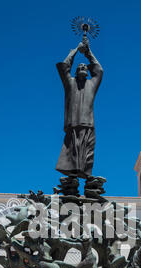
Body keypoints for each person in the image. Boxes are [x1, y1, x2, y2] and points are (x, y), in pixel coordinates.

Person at [56, 39, 103, 179]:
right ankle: (71, 177)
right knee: (70, 155)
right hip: (73, 124)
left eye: (85, 66)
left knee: (86, 156)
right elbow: (64, 67)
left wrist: (88, 53)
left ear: (88, 72)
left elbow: (99, 70)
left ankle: (81, 173)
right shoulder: (70, 83)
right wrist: (75, 51)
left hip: (88, 124)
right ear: (75, 71)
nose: (82, 67)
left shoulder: (92, 84)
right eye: (79, 66)